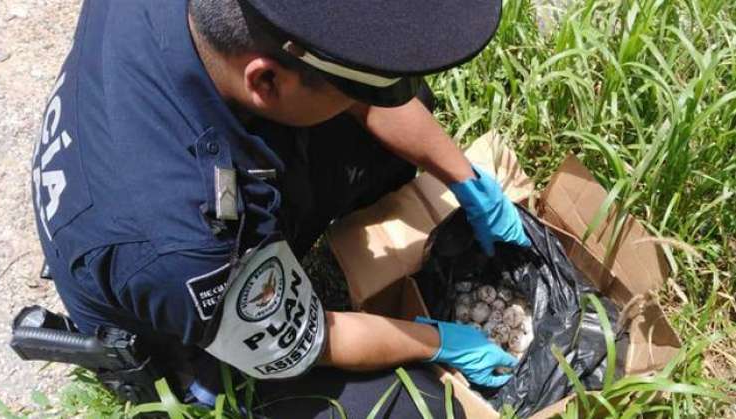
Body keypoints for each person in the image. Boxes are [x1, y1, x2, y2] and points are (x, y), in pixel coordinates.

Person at [30, 0, 529, 416]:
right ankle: (202, 382)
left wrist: (465, 179)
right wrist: (435, 342)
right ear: (265, 83)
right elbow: (311, 341)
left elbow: (357, 81)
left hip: (163, 154)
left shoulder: (232, 31)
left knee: (391, 113)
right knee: (415, 407)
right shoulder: (185, 244)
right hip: (178, 313)